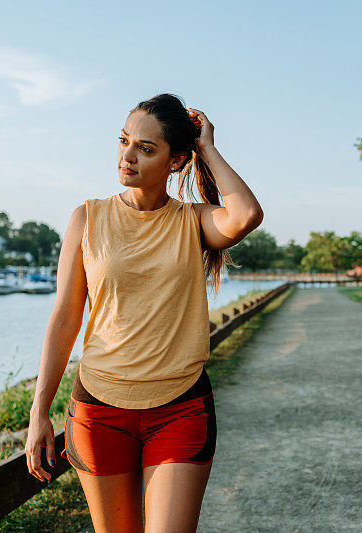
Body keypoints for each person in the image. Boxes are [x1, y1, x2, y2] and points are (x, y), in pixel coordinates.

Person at [24, 93, 263, 532]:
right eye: (124, 140)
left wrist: (206, 147)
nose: (127, 156)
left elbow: (245, 215)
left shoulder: (195, 222)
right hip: (99, 411)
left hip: (180, 408)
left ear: (176, 162)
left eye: (146, 148)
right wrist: (40, 413)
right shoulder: (87, 219)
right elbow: (64, 318)